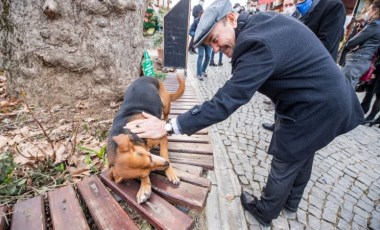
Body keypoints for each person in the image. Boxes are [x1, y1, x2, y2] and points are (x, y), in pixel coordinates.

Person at [126, 0, 364, 226]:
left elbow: (226, 101)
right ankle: (291, 203)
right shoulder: (261, 23)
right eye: (211, 45)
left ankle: (265, 211)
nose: (216, 48)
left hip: (315, 106)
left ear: (231, 18)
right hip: (324, 98)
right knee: (305, 150)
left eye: (215, 39)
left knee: (285, 158)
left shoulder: (255, 44)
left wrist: (169, 126)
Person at [262, 0, 346, 131]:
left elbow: (326, 43)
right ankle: (279, 126)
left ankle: (289, 135)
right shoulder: (306, 6)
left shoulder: (333, 5)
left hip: (311, 68)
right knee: (286, 101)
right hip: (296, 64)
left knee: (301, 112)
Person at [342, 0, 380, 88]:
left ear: (375, 10)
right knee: (349, 88)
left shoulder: (375, 25)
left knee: (343, 87)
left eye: (370, 10)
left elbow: (352, 42)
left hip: (357, 59)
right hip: (365, 60)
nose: (368, 12)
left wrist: (348, 44)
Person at [189, 11, 211, 81]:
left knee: (208, 56)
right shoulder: (196, 21)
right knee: (201, 56)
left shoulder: (210, 20)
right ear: (200, 15)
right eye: (202, 16)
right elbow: (190, 31)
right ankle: (198, 73)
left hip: (207, 42)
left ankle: (203, 70)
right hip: (199, 42)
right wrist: (195, 35)